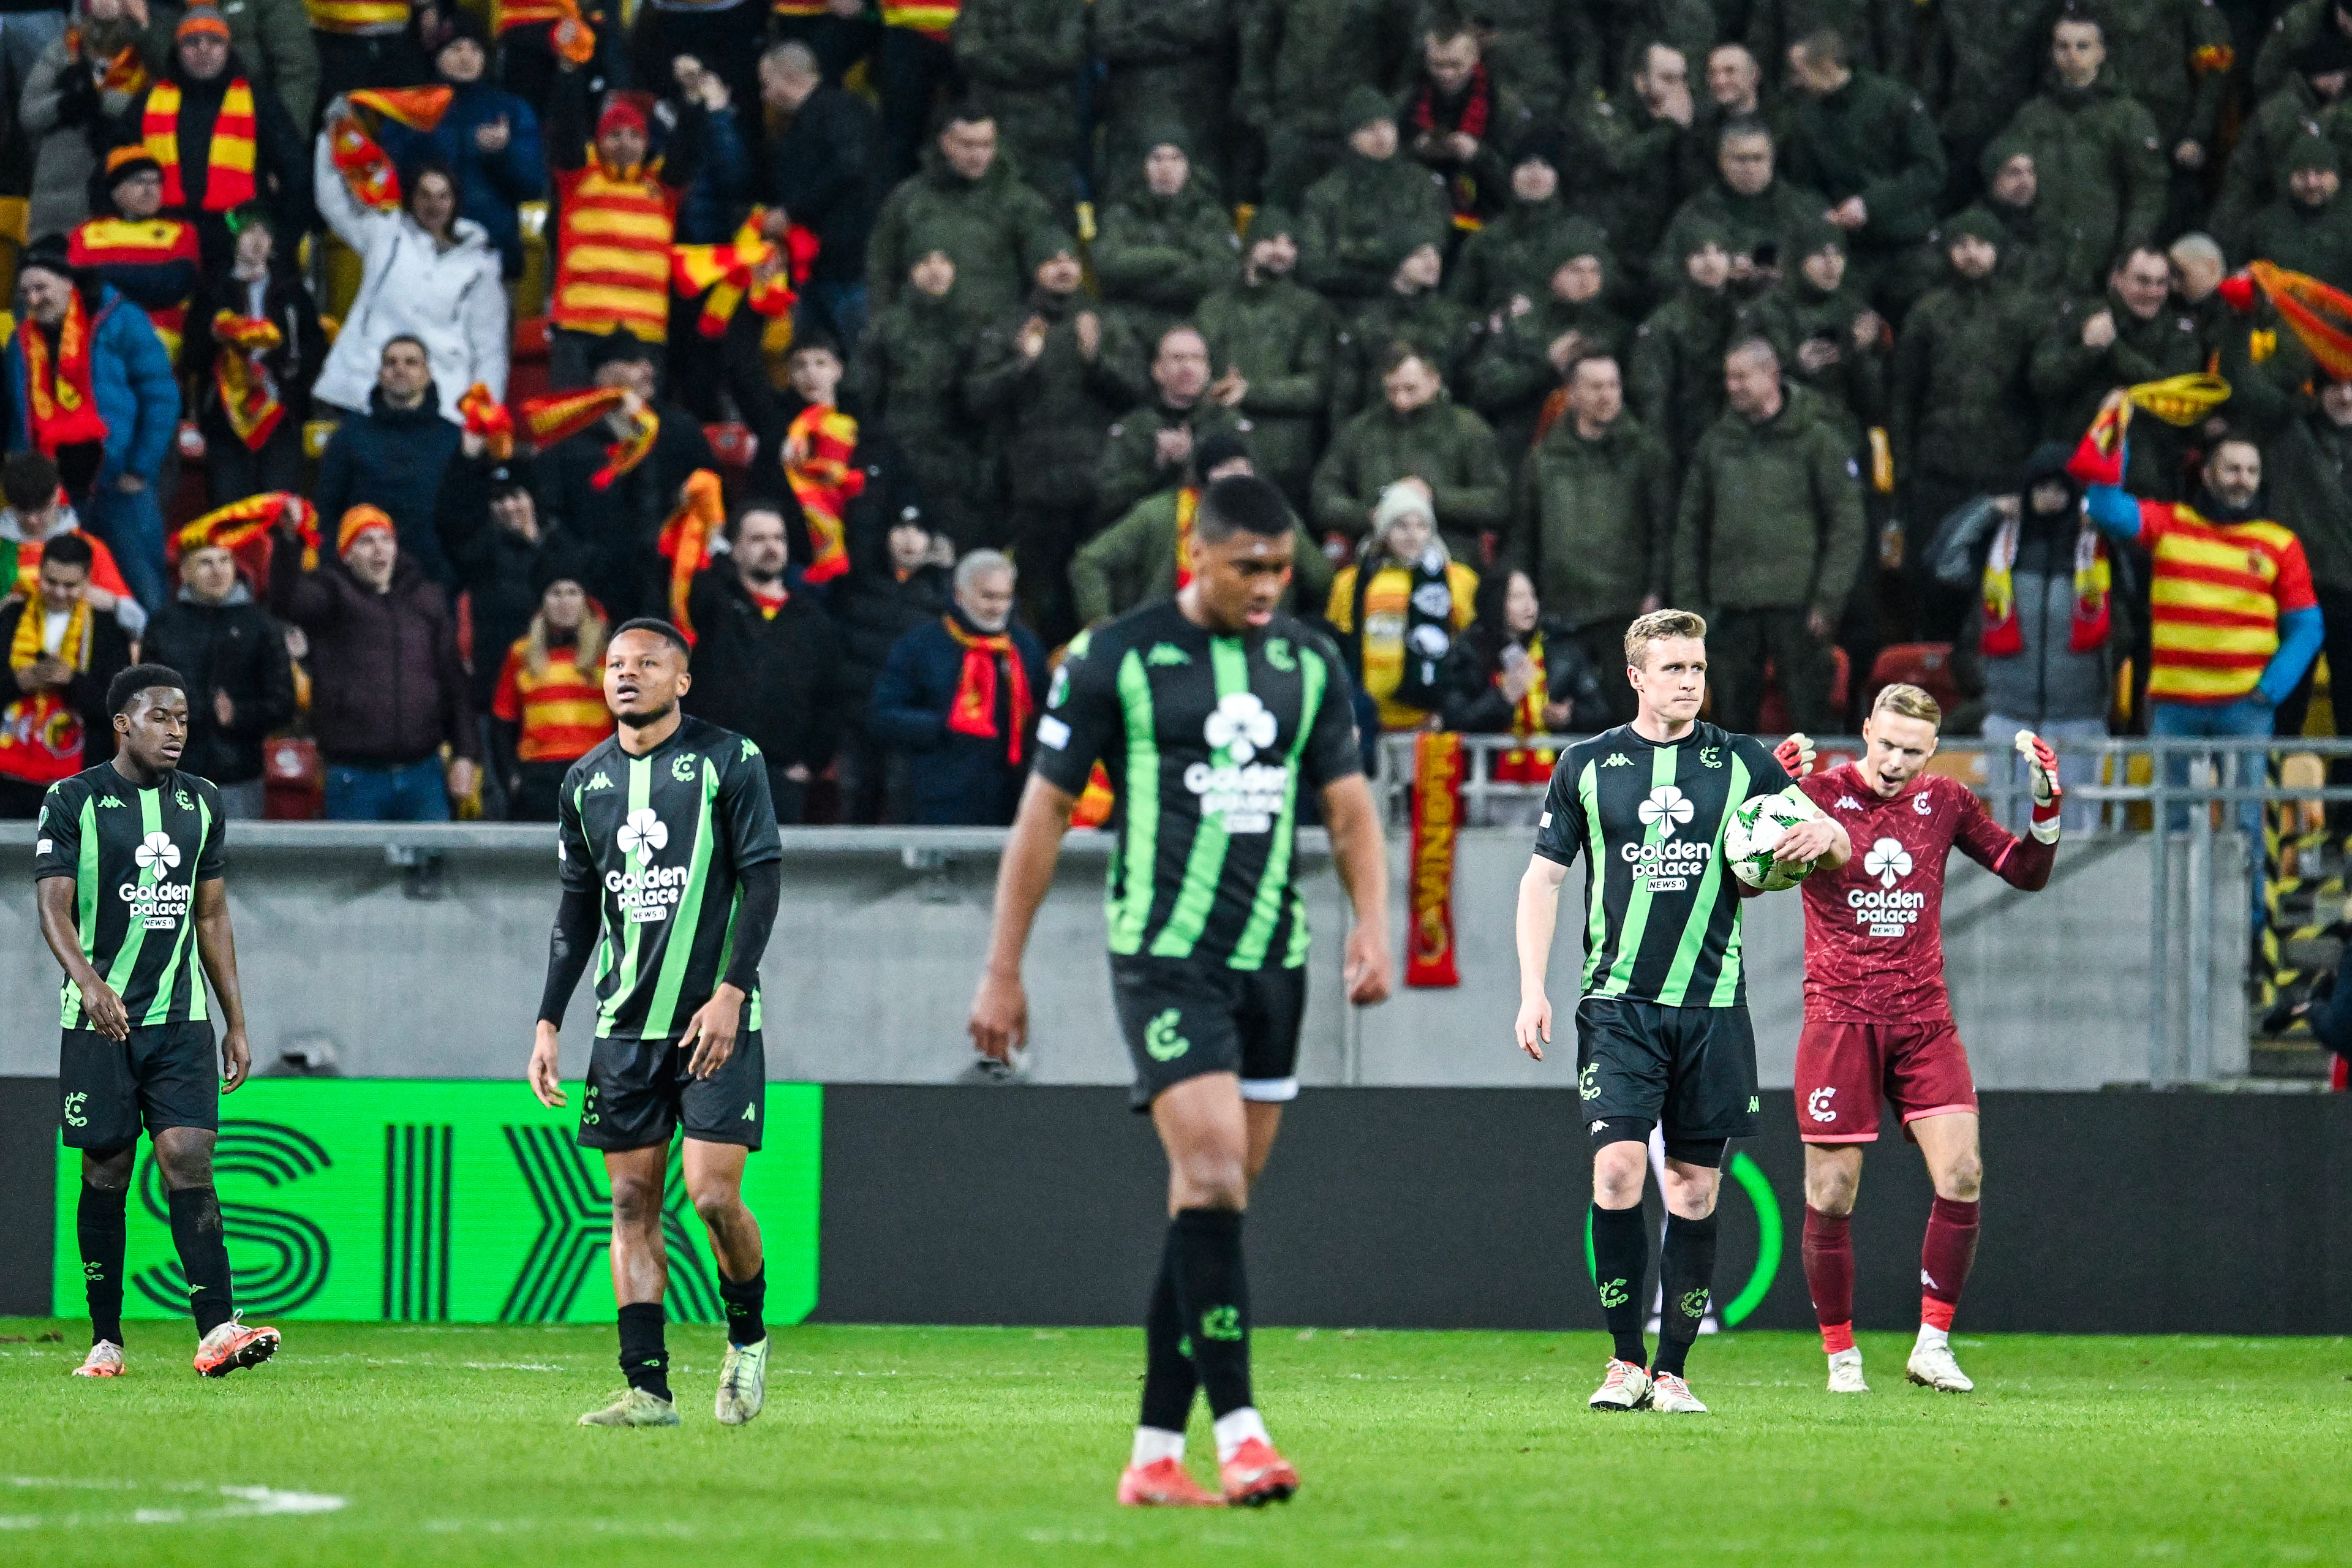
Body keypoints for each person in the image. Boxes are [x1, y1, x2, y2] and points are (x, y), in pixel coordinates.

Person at [968, 473, 1393, 1506]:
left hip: (1274, 966)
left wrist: (1373, 923)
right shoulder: (1117, 656)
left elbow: (1347, 811)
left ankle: (1156, 1455)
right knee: (1209, 1177)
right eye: (1249, 567)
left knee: (1213, 1205)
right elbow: (1044, 814)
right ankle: (1243, 1436)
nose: (1269, 586)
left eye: (1283, 569)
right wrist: (1002, 967)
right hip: (1164, 956)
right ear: (1194, 557)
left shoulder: (1308, 660)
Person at [1512, 608, 1848, 1415]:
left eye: (1697, 668)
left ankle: (1673, 1373)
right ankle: (1624, 1362)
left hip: (1712, 1010)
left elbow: (1832, 842)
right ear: (1636, 677)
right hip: (1619, 1007)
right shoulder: (1589, 765)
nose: (1690, 682)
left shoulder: (1738, 761)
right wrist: (1532, 987)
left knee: (1695, 1193)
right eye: (1673, 669)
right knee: (1620, 1170)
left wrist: (1822, 835)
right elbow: (1543, 881)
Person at [528, 619, 785, 1428]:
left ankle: (747, 1341)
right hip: (623, 1026)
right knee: (632, 1203)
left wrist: (734, 991)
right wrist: (547, 1021)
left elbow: (764, 880)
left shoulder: (730, 760)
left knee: (711, 1199)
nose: (627, 675)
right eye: (616, 665)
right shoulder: (584, 782)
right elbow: (574, 910)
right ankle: (648, 1390)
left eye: (647, 664)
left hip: (714, 1019)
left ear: (683, 680)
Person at [1792, 684, 2060, 1395]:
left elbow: (2024, 873)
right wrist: (1770, 797)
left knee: (1964, 1172)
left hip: (1923, 1018)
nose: (1894, 762)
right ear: (1866, 731)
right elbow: (1752, 879)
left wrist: (2046, 808)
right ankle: (1842, 1358)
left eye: (1912, 751)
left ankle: (1932, 1346)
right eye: (1886, 745)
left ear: (1933, 752)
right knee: (1832, 1189)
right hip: (1840, 1017)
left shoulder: (1946, 803)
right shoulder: (1817, 792)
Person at [37, 663, 280, 1379]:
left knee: (188, 1158)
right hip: (100, 1022)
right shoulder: (73, 799)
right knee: (107, 1168)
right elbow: (53, 905)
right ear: (123, 723)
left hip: (181, 1020)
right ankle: (106, 1338)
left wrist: (236, 1019)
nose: (176, 730)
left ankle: (217, 1332)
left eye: (183, 719)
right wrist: (88, 983)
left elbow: (211, 914)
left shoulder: (202, 803)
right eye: (160, 717)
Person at [2078, 421, 2322, 916]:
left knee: (2247, 826)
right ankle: (2173, 925)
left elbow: (2308, 627)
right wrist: (2114, 434)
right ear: (2207, 474)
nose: (2242, 479)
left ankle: (2249, 938)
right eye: (2232, 468)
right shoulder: (2168, 523)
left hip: (2245, 711)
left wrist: (2269, 690)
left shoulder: (2280, 543)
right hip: (2176, 710)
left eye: (2252, 470)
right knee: (2175, 824)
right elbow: (2103, 506)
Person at [1672, 339, 1865, 734]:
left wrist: (1828, 600)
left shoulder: (1817, 440)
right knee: (1728, 731)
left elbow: (1848, 524)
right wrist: (1692, 607)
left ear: (1771, 376)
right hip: (1730, 610)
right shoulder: (1715, 445)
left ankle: (1817, 798)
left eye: (1742, 377)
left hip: (1799, 610)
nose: (1733, 387)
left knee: (1814, 726)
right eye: (1729, 377)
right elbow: (1690, 529)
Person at [1929, 443, 2119, 830]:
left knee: (2078, 832)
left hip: (2081, 716)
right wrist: (1988, 511)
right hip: (2008, 713)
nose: (2051, 498)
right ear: (2026, 492)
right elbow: (1944, 563)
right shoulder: (1999, 546)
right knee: (2012, 831)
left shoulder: (2100, 547)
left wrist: (2107, 521)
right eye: (2042, 489)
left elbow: (2139, 584)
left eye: (2061, 490)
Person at [268, 502, 481, 821]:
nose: (378, 550)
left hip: (424, 774)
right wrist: (288, 540)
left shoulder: (427, 599)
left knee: (432, 870)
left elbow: (454, 683)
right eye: (366, 542)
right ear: (347, 554)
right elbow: (287, 602)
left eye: (386, 540)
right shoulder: (331, 593)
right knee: (356, 872)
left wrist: (465, 753)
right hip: (355, 778)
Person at [4, 238, 180, 612]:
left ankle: (158, 670)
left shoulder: (121, 320)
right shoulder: (20, 341)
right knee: (56, 600)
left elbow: (161, 396)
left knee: (144, 591)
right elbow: (16, 416)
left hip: (119, 486)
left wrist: (140, 468)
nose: (33, 300)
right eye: (25, 293)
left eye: (41, 288)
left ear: (68, 283)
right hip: (56, 497)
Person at [1506, 352, 1673, 726]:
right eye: (1596, 387)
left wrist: (1656, 591)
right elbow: (1524, 535)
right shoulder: (1543, 460)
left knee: (1630, 722)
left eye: (1613, 386)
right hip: (1561, 611)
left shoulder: (1646, 454)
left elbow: (1663, 531)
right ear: (1573, 393)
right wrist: (1519, 581)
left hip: (1626, 611)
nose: (1607, 396)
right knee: (1565, 724)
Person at [311, 145, 508, 428]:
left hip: (443, 406)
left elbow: (490, 351)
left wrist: (486, 418)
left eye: (443, 196)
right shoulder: (386, 234)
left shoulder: (479, 267)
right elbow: (333, 203)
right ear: (412, 198)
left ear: (455, 201)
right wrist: (329, 140)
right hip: (363, 392)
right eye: (425, 195)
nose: (434, 205)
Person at [678, 504, 848, 824]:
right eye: (757, 539)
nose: (771, 548)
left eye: (778, 539)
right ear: (736, 549)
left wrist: (810, 764)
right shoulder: (711, 608)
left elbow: (832, 699)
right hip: (712, 773)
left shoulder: (813, 620)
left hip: (782, 778)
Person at [117, 6, 310, 273]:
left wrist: (279, 237)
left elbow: (297, 175)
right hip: (163, 244)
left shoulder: (259, 102)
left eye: (215, 41)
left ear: (229, 49)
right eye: (192, 42)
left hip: (239, 244)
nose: (203, 49)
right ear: (177, 50)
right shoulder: (147, 102)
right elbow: (114, 171)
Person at [544, 72, 707, 387]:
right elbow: (566, 128)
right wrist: (567, 73)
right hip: (579, 328)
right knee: (572, 424)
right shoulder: (577, 178)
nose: (625, 143)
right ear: (599, 141)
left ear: (647, 143)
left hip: (641, 331)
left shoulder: (663, 188)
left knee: (639, 429)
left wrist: (694, 101)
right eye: (614, 135)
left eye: (635, 136)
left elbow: (688, 145)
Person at [1072, 435, 1333, 628]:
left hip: (1257, 639)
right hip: (1167, 640)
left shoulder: (1275, 518)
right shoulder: (1159, 514)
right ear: (1205, 478)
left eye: (1244, 470)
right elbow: (1089, 562)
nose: (1239, 478)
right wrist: (1101, 625)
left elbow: (1321, 578)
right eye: (1228, 470)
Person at [868, 549, 1046, 826]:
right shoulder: (920, 645)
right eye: (988, 596)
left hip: (1011, 798)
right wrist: (942, 728)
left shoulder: (1026, 647)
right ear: (960, 595)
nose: (997, 607)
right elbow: (883, 715)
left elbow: (1045, 710)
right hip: (935, 796)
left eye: (1005, 597)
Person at [143, 516, 298, 818]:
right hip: (173, 776)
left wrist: (239, 714)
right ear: (185, 572)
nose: (218, 570)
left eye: (225, 560)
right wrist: (193, 712)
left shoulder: (261, 626)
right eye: (206, 562)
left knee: (237, 863)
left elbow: (284, 703)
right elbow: (143, 699)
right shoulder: (163, 626)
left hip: (239, 776)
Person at [372, 13, 546, 282]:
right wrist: (467, 143)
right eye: (456, 48)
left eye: (475, 49)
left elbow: (533, 184)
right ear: (437, 55)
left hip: (492, 250)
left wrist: (502, 153)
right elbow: (394, 169)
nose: (466, 57)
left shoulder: (512, 109)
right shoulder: (412, 106)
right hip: (422, 252)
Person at [1438, 568, 1608, 824]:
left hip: (1555, 780)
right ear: (1495, 603)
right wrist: (1503, 698)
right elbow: (1455, 718)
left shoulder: (1562, 647)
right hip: (1490, 782)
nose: (1529, 605)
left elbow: (1601, 712)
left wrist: (1569, 717)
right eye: (1517, 597)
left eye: (1532, 596)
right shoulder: (1467, 652)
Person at [866, 105, 1061, 325]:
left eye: (986, 145)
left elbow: (1048, 259)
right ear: (945, 143)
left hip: (996, 340)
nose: (978, 155)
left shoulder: (1020, 202)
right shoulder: (909, 200)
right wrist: (885, 329)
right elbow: (881, 269)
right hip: (925, 338)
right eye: (967, 145)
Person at [1311, 345, 1509, 562]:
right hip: (1375, 559)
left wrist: (1436, 498)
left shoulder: (1468, 429)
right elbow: (1325, 496)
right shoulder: (1361, 430)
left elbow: (1498, 501)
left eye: (1410, 389)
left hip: (1451, 561)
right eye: (1392, 390)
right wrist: (1370, 516)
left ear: (1434, 381)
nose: (1401, 400)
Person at [1193, 209, 1335, 510]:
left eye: (1291, 244)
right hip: (1222, 453)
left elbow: (1316, 386)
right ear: (1250, 244)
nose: (1282, 251)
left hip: (1287, 463)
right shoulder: (1213, 306)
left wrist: (1250, 391)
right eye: (1272, 240)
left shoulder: (1310, 309)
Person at [181, 205, 323, 506]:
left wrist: (293, 379)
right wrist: (215, 338)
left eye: (263, 234)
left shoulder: (292, 291)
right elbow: (191, 355)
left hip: (280, 413)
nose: (256, 241)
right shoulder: (212, 290)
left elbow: (314, 348)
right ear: (234, 240)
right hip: (225, 415)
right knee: (229, 504)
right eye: (248, 232)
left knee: (278, 503)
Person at [1326, 481, 1480, 733]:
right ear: (1384, 531)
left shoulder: (1457, 580)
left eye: (1421, 526)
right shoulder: (1351, 582)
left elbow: (1470, 649)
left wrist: (1452, 710)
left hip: (1432, 721)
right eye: (1401, 525)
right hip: (1370, 720)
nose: (1412, 534)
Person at [758, 40, 881, 354]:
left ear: (788, 77)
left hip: (851, 268)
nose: (764, 95)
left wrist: (791, 212)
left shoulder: (840, 110)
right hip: (819, 268)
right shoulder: (802, 123)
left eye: (766, 83)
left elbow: (850, 167)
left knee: (859, 361)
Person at [0, 534, 137, 815]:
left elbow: (118, 708)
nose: (60, 592)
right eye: (51, 582)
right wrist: (19, 683)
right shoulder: (12, 616)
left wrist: (71, 681)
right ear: (40, 574)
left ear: (88, 581)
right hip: (8, 779)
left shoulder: (108, 628)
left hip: (79, 779)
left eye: (70, 585)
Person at [312, 337, 464, 585]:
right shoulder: (350, 434)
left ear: (428, 373)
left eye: (411, 362)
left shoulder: (452, 438)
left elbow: (466, 512)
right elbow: (328, 507)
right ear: (380, 373)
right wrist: (333, 568)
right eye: (390, 362)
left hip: (436, 579)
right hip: (362, 581)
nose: (400, 369)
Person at [490, 571, 612, 821]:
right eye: (556, 593)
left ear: (586, 600)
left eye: (572, 593)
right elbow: (502, 722)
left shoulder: (609, 654)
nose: (564, 602)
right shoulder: (520, 653)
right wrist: (511, 779)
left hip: (596, 772)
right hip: (537, 775)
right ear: (543, 603)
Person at [70, 147, 201, 366]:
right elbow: (80, 287)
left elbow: (173, 286)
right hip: (98, 340)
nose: (150, 189)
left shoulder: (181, 232)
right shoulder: (87, 233)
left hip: (160, 344)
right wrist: (146, 279)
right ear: (114, 190)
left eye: (156, 181)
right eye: (139, 181)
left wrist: (104, 274)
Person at [0, 450, 145, 633]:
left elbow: (138, 621)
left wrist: (113, 604)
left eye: (41, 509)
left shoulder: (90, 547)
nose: (33, 520)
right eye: (23, 511)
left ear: (57, 495)